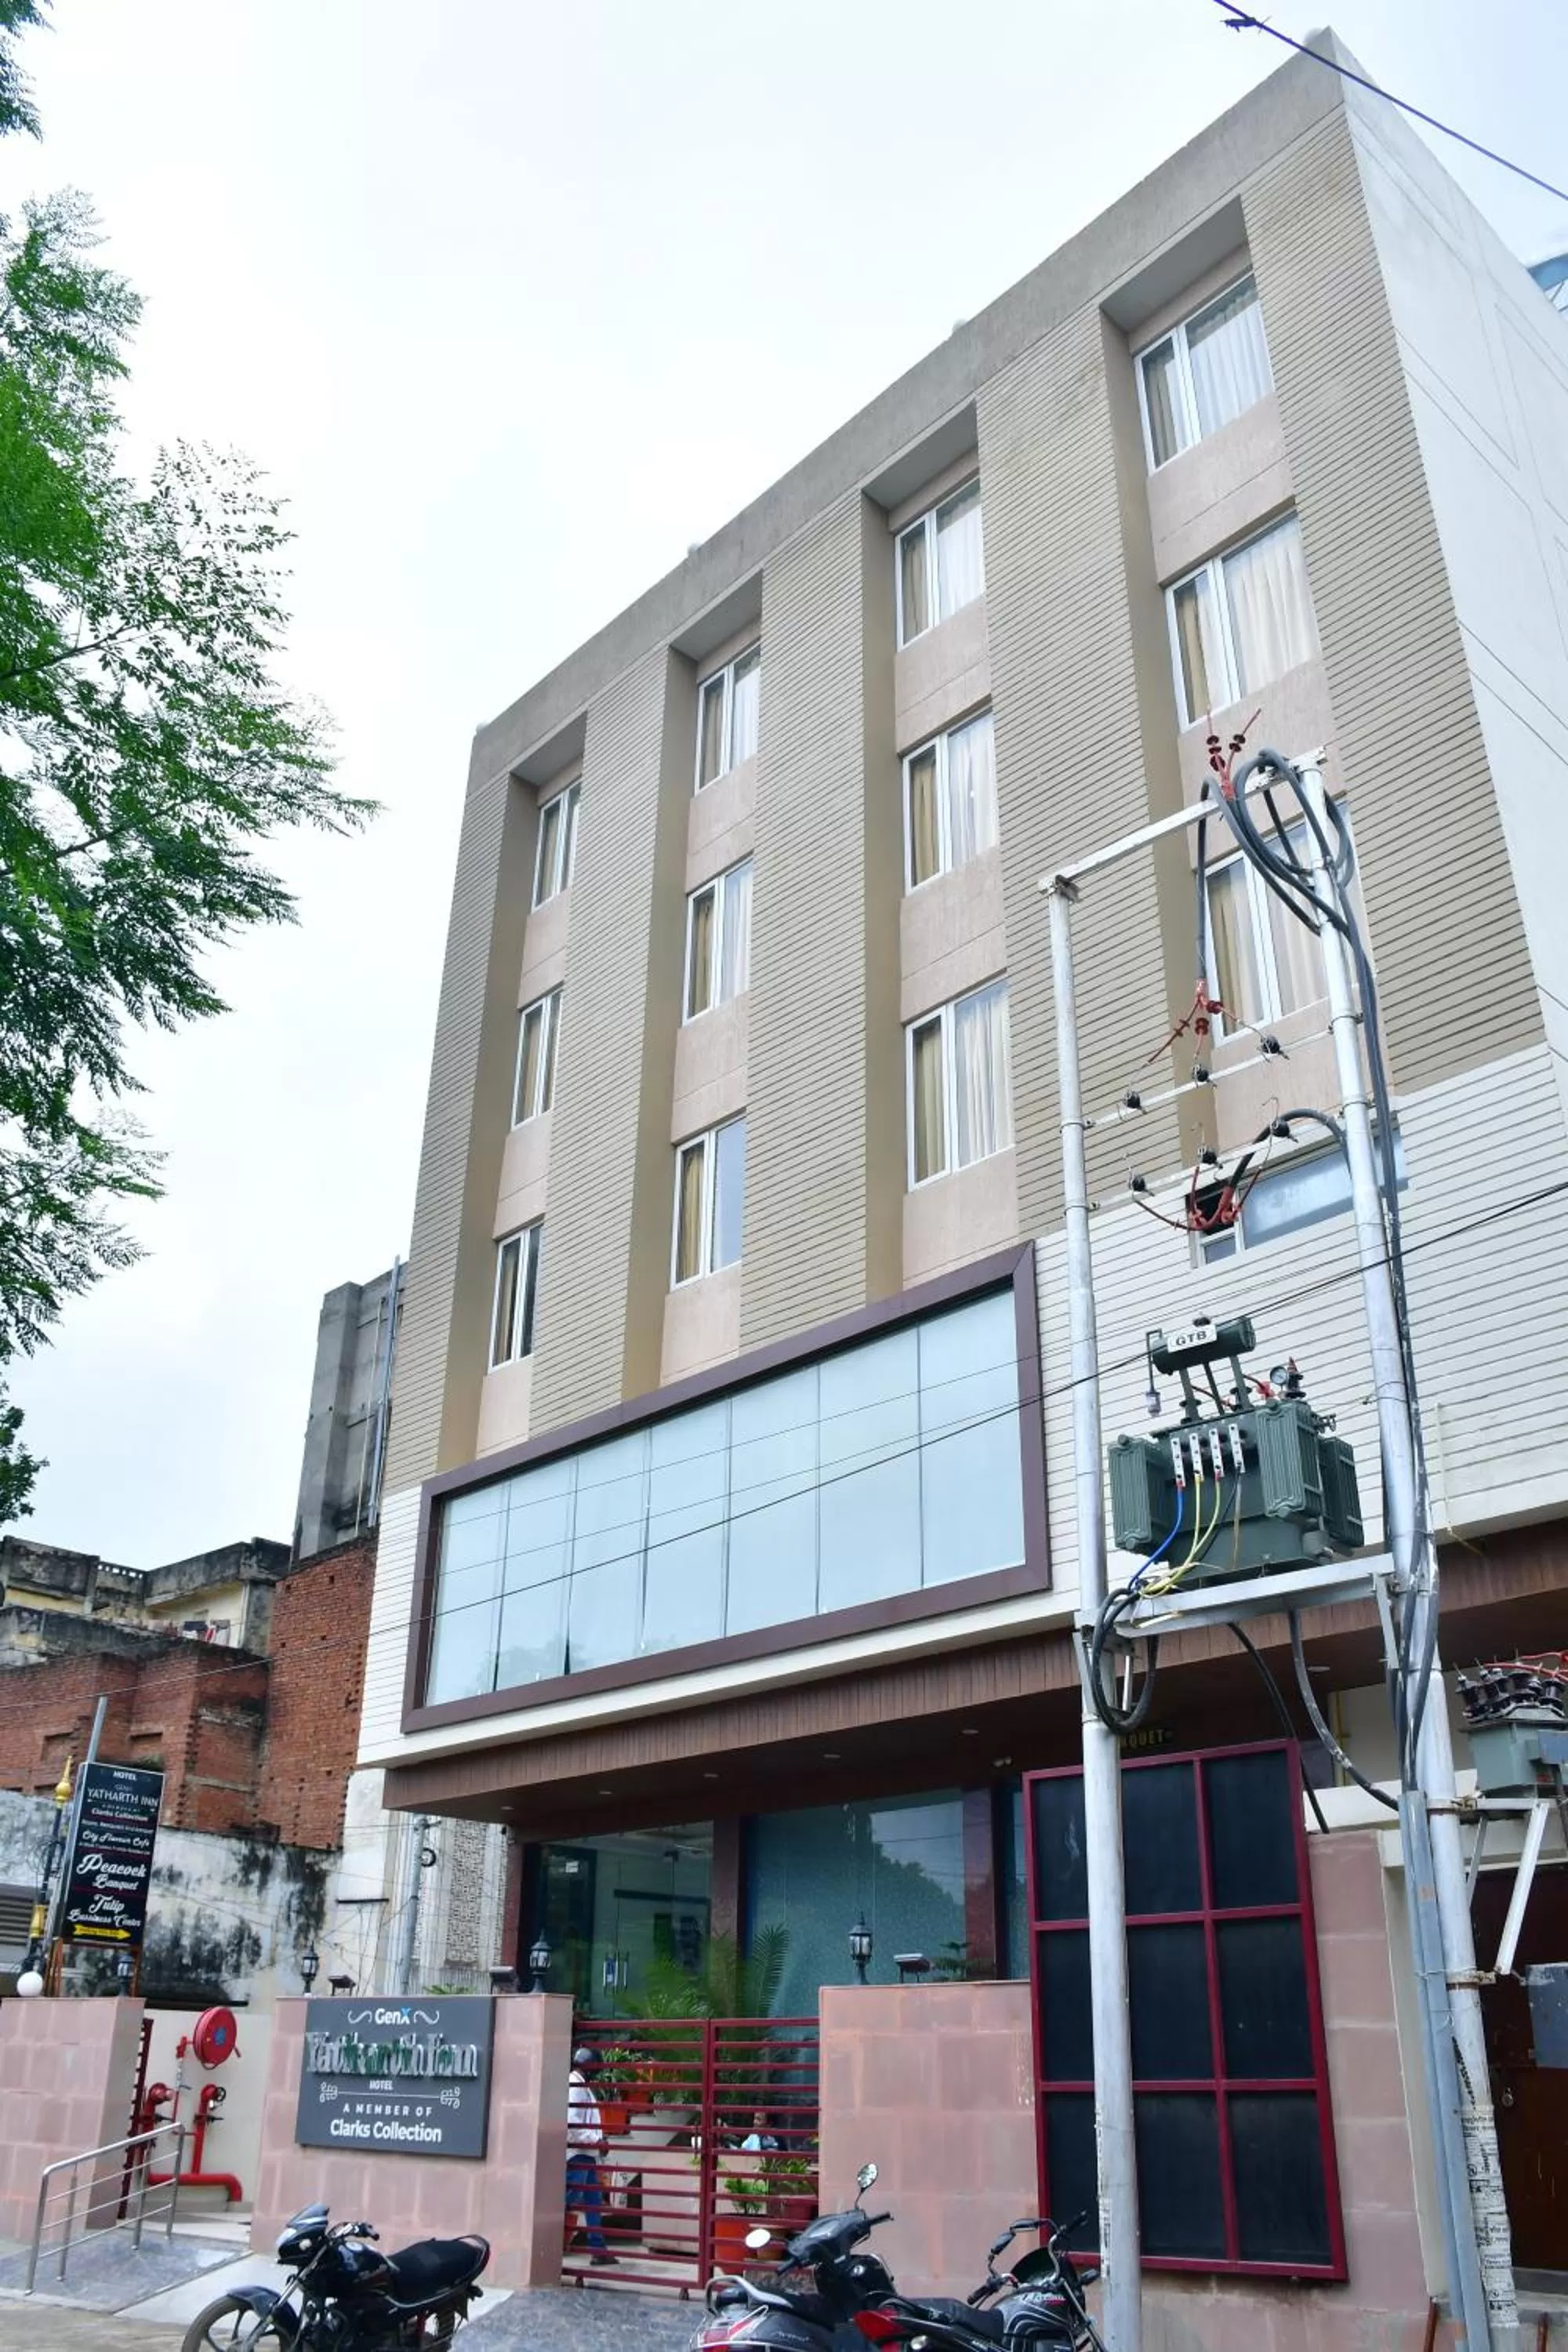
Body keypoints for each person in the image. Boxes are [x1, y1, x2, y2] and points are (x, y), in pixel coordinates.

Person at [566, 2045, 614, 2266]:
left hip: (586, 2153)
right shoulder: (575, 2085)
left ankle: (598, 2249)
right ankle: (538, 2232)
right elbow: (573, 2121)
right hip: (579, 2153)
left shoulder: (582, 2085)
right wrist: (596, 2141)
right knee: (569, 2198)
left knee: (593, 2202)